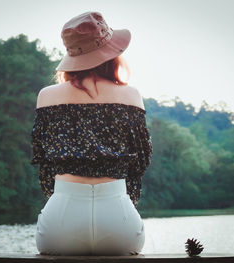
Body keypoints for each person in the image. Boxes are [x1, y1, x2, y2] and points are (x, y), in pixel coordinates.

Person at [30, 11, 153, 256]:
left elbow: (43, 161)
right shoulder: (131, 96)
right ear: (112, 55)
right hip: (118, 219)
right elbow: (141, 161)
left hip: (61, 218)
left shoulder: (46, 96)